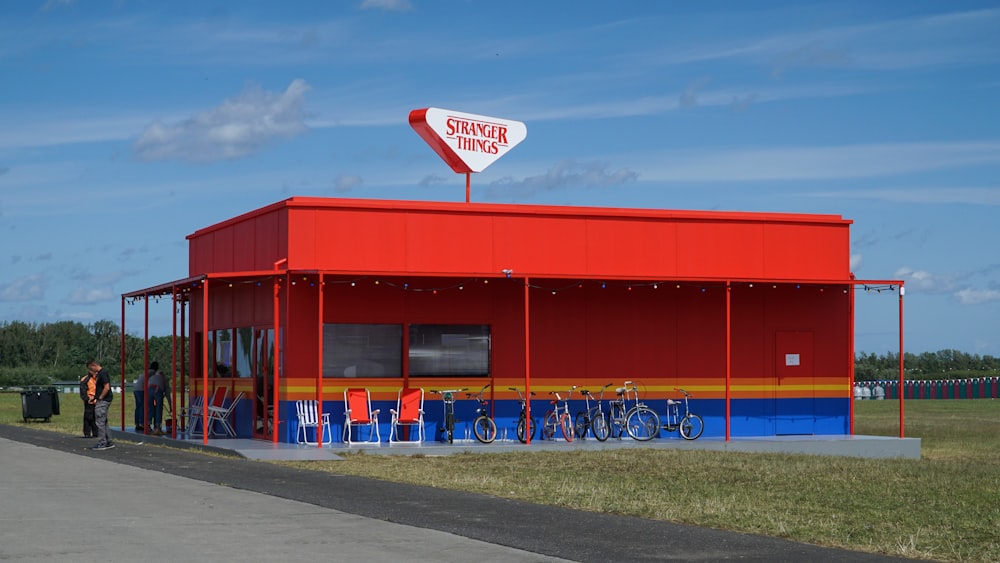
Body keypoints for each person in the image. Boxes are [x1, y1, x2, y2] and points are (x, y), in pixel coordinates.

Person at [87, 359, 115, 450]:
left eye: (91, 368)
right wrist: (95, 397)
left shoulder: (102, 373)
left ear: (94, 365)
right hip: (102, 399)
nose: (91, 371)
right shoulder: (100, 374)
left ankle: (102, 442)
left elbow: (107, 387)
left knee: (99, 422)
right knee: (104, 421)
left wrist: (100, 397)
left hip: (104, 400)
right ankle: (108, 441)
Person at [147, 363, 171, 435]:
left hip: (149, 389)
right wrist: (170, 406)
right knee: (158, 408)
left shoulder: (153, 376)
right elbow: (167, 393)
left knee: (150, 408)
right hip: (157, 389)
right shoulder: (164, 379)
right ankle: (157, 427)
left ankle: (148, 425)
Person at [79, 370, 99, 438]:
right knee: (88, 417)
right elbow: (83, 391)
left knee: (96, 417)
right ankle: (87, 433)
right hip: (89, 401)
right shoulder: (85, 379)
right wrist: (87, 399)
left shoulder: (98, 378)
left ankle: (96, 432)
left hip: (98, 400)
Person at [134, 364, 148, 432]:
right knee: (142, 406)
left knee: (138, 407)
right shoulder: (152, 373)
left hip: (136, 389)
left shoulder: (145, 373)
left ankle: (137, 423)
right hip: (141, 390)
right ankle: (142, 423)